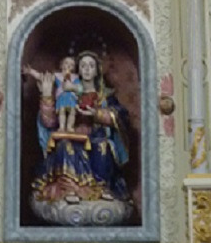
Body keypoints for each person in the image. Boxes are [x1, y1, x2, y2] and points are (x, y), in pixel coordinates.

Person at [27, 50, 132, 217]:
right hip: (71, 135)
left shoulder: (105, 95)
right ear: (77, 69)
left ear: (97, 70)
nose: (87, 69)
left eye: (91, 66)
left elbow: (120, 117)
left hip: (95, 135)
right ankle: (69, 190)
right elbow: (50, 122)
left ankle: (100, 188)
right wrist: (47, 95)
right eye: (83, 66)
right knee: (64, 146)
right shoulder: (68, 91)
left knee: (102, 146)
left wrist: (97, 114)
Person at [23, 56, 81, 132]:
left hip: (71, 98)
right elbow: (42, 77)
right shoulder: (57, 76)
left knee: (72, 112)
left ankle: (70, 127)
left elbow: (80, 88)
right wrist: (31, 71)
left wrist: (75, 90)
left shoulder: (75, 77)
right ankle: (62, 127)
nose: (69, 65)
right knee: (61, 111)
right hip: (62, 97)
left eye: (72, 64)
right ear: (61, 65)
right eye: (66, 63)